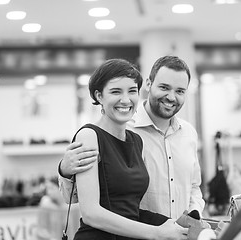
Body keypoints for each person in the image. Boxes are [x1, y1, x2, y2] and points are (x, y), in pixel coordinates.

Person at [58, 55, 205, 219]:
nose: (171, 97)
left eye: (179, 91)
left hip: (178, 234)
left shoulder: (189, 133)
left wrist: (194, 214)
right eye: (164, 87)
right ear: (148, 84)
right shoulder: (121, 129)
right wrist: (65, 171)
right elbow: (77, 199)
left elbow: (194, 187)